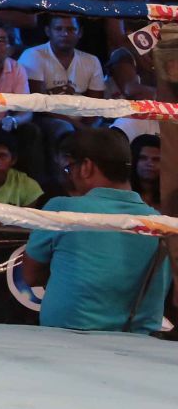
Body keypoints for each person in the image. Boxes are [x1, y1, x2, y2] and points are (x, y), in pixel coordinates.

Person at [23, 128, 172, 334]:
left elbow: (30, 275)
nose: (69, 177)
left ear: (86, 167)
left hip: (67, 337)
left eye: (69, 169)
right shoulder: (160, 223)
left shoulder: (63, 208)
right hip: (136, 343)